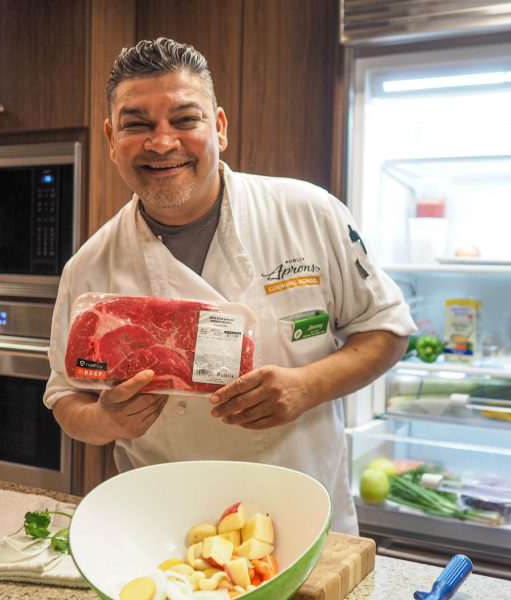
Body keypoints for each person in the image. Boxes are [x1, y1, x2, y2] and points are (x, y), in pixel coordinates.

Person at [43, 38, 416, 534]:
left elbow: (388, 330)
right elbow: (66, 400)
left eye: (184, 119)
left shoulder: (307, 212)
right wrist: (108, 422)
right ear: (112, 139)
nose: (162, 142)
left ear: (219, 127)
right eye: (137, 124)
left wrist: (309, 386)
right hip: (166, 529)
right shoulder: (89, 268)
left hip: (302, 522)